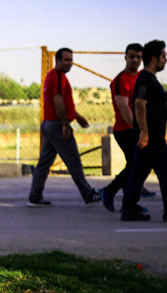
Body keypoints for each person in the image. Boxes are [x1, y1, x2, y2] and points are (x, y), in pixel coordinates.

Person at [121, 40, 167, 222]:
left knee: (139, 173)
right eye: (164, 56)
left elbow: (159, 97)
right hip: (151, 138)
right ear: (154, 59)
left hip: (150, 137)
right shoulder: (145, 78)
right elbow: (139, 103)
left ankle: (129, 208)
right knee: (166, 170)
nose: (166, 60)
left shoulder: (150, 79)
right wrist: (144, 133)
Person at [28, 47, 101, 206]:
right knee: (73, 160)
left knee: (44, 162)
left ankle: (35, 195)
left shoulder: (51, 76)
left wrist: (78, 117)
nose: (69, 63)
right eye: (66, 60)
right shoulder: (59, 77)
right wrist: (65, 125)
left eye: (71, 60)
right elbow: (58, 101)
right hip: (57, 125)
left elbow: (63, 104)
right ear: (58, 60)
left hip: (48, 123)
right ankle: (88, 193)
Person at [99, 43, 155, 212]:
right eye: (132, 56)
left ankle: (127, 193)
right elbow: (123, 106)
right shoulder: (120, 80)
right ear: (125, 57)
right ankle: (113, 192)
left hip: (135, 129)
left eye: (139, 57)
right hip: (125, 129)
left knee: (137, 164)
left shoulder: (139, 78)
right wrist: (137, 130)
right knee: (136, 164)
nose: (136, 60)